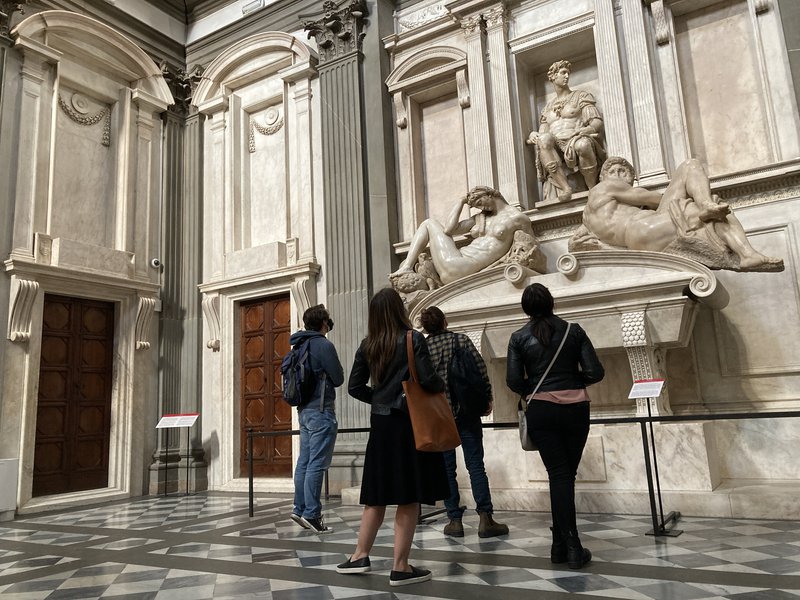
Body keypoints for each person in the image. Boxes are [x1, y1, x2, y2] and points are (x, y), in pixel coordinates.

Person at [340, 288, 449, 586]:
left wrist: (379, 398)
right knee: (408, 495)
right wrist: (441, 387)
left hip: (381, 425)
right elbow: (427, 378)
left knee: (377, 493)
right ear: (399, 309)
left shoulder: (367, 345)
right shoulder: (413, 338)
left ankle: (359, 555)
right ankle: (400, 565)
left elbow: (354, 387)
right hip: (408, 423)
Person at [506, 283, 604, 569]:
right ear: (551, 303)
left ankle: (561, 544)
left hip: (542, 411)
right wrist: (573, 384)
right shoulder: (573, 330)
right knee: (565, 475)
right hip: (575, 409)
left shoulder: (518, 337)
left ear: (526, 308)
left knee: (559, 475)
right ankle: (570, 545)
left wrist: (535, 389)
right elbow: (595, 372)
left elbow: (513, 381)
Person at [582, 156, 784, 272]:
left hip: (646, 232)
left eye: (623, 172)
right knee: (703, 188)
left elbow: (579, 243)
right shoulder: (605, 188)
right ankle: (745, 252)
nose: (618, 176)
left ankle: (708, 210)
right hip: (644, 229)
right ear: (602, 177)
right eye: (613, 171)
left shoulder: (587, 217)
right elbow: (652, 199)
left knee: (696, 177)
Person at [420, 306, 509, 539]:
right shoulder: (461, 341)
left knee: (448, 469)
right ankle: (485, 518)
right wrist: (487, 397)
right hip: (466, 411)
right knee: (475, 465)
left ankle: (454, 520)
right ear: (445, 322)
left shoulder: (424, 348)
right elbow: (480, 370)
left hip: (439, 415)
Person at [390, 186, 536, 286]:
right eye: (477, 206)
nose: (481, 208)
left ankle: (408, 266)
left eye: (480, 202)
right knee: (429, 223)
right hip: (455, 262)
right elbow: (449, 229)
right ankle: (407, 266)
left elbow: (532, 248)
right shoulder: (481, 218)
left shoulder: (518, 218)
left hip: (463, 267)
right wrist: (461, 201)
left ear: (489, 194)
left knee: (429, 223)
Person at [289, 304, 344, 534]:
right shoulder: (323, 344)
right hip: (321, 411)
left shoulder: (299, 344)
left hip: (304, 411)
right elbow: (339, 377)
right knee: (317, 463)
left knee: (305, 461)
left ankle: (299, 508)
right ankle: (312, 514)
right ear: (323, 323)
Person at [526, 60, 605, 202]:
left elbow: (596, 121)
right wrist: (533, 135)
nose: (567, 76)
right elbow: (543, 132)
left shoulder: (581, 96)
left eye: (568, 73)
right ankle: (565, 188)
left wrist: (587, 129)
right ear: (553, 77)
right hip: (556, 144)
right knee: (543, 140)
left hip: (576, 137)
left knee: (583, 145)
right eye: (563, 73)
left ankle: (592, 188)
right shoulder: (547, 108)